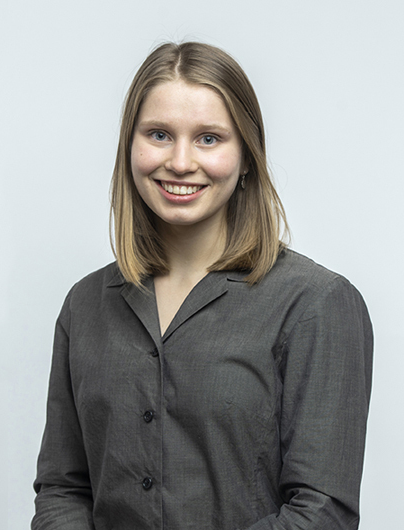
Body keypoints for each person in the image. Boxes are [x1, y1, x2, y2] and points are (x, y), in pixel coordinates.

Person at [32, 41, 373, 529]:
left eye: (209, 138)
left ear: (247, 156)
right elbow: (64, 489)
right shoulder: (84, 305)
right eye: (159, 134)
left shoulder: (316, 304)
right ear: (131, 145)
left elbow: (321, 513)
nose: (180, 161)